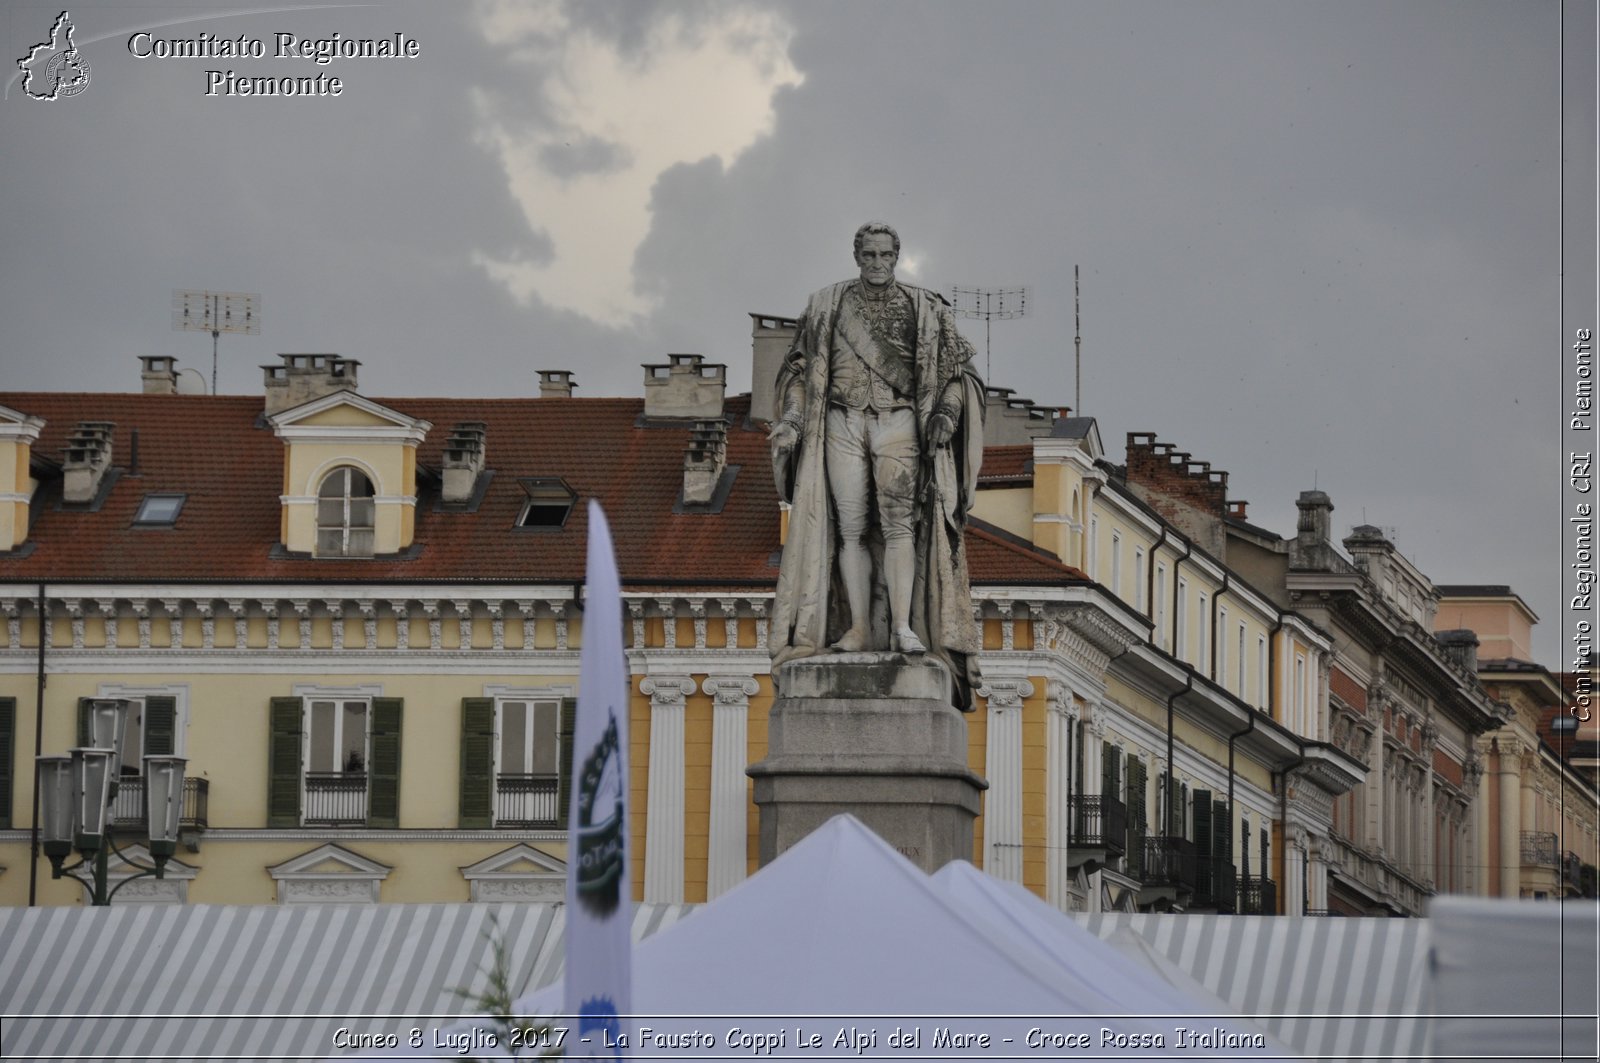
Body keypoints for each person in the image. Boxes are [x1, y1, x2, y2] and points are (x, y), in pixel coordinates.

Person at [768, 222, 985, 710]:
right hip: (842, 420)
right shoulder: (826, 305)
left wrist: (947, 414)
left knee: (899, 528)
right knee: (848, 529)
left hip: (900, 420)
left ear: (898, 256)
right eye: (868, 253)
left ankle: (904, 627)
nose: (876, 262)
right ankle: (860, 628)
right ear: (856, 255)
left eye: (884, 253)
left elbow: (958, 376)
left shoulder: (924, 308)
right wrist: (794, 419)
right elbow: (799, 373)